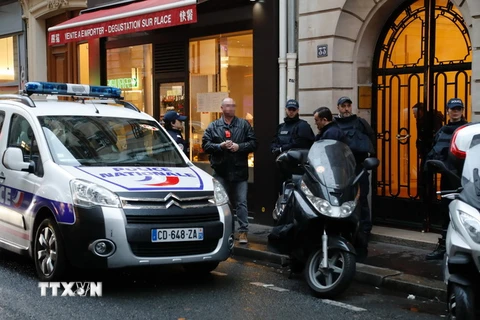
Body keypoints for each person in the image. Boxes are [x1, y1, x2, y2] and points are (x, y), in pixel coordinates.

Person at [202, 97, 258, 245]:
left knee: (241, 202)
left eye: (233, 106)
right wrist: (220, 146)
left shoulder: (244, 124)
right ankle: (225, 230)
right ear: (222, 108)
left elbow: (254, 143)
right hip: (221, 171)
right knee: (221, 202)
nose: (231, 108)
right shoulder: (214, 126)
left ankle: (243, 232)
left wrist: (239, 147)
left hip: (239, 171)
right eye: (228, 106)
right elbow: (205, 145)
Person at [424, 98, 468, 260]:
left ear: (462, 111)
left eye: (458, 109)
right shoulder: (443, 130)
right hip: (447, 177)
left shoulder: (466, 130)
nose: (455, 112)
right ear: (448, 111)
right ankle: (444, 246)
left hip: (464, 178)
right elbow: (435, 152)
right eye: (452, 109)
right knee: (446, 211)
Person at [334, 97, 376, 245]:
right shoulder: (335, 125)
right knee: (343, 198)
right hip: (341, 168)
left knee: (362, 197)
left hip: (359, 166)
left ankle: (365, 229)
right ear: (338, 108)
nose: (346, 109)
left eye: (348, 106)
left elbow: (372, 139)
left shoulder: (360, 123)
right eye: (343, 106)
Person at [271, 99, 315, 193]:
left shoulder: (303, 126)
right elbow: (274, 141)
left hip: (297, 169)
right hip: (281, 167)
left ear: (297, 110)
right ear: (286, 110)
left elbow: (301, 143)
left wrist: (281, 149)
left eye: (293, 110)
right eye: (289, 109)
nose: (291, 112)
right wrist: (275, 149)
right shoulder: (281, 127)